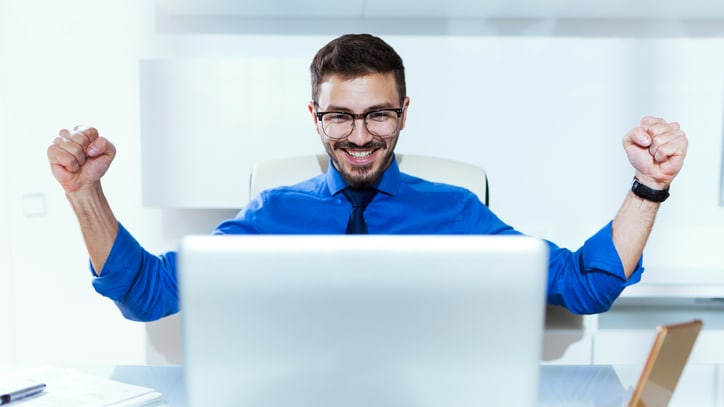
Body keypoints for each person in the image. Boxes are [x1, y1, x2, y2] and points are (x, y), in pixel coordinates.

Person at [47, 34, 688, 322]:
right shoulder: (272, 213)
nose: (359, 137)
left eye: (378, 113)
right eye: (341, 116)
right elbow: (149, 293)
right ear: (314, 117)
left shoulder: (457, 213)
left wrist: (648, 188)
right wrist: (86, 193)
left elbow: (584, 285)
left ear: (404, 114)